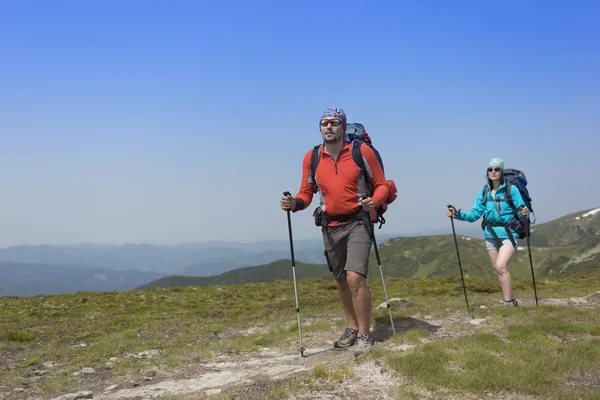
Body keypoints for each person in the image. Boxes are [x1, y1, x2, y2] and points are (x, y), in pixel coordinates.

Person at [280, 106, 390, 357]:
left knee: (355, 277)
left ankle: (364, 334)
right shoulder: (313, 157)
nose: (329, 127)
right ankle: (352, 328)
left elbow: (382, 184)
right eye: (324, 123)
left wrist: (374, 201)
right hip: (330, 225)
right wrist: (294, 204)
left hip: (359, 221)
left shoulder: (361, 151)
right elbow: (306, 192)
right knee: (341, 280)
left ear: (343, 126)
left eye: (334, 123)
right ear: (319, 128)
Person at [447, 158, 529, 307]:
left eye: (497, 169)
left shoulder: (512, 190)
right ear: (487, 172)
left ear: (501, 172)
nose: (493, 172)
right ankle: (509, 300)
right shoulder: (484, 191)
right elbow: (474, 214)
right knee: (499, 270)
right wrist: (457, 215)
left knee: (501, 266)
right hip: (490, 236)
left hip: (509, 234)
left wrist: (524, 213)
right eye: (490, 169)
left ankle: (509, 302)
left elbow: (524, 211)